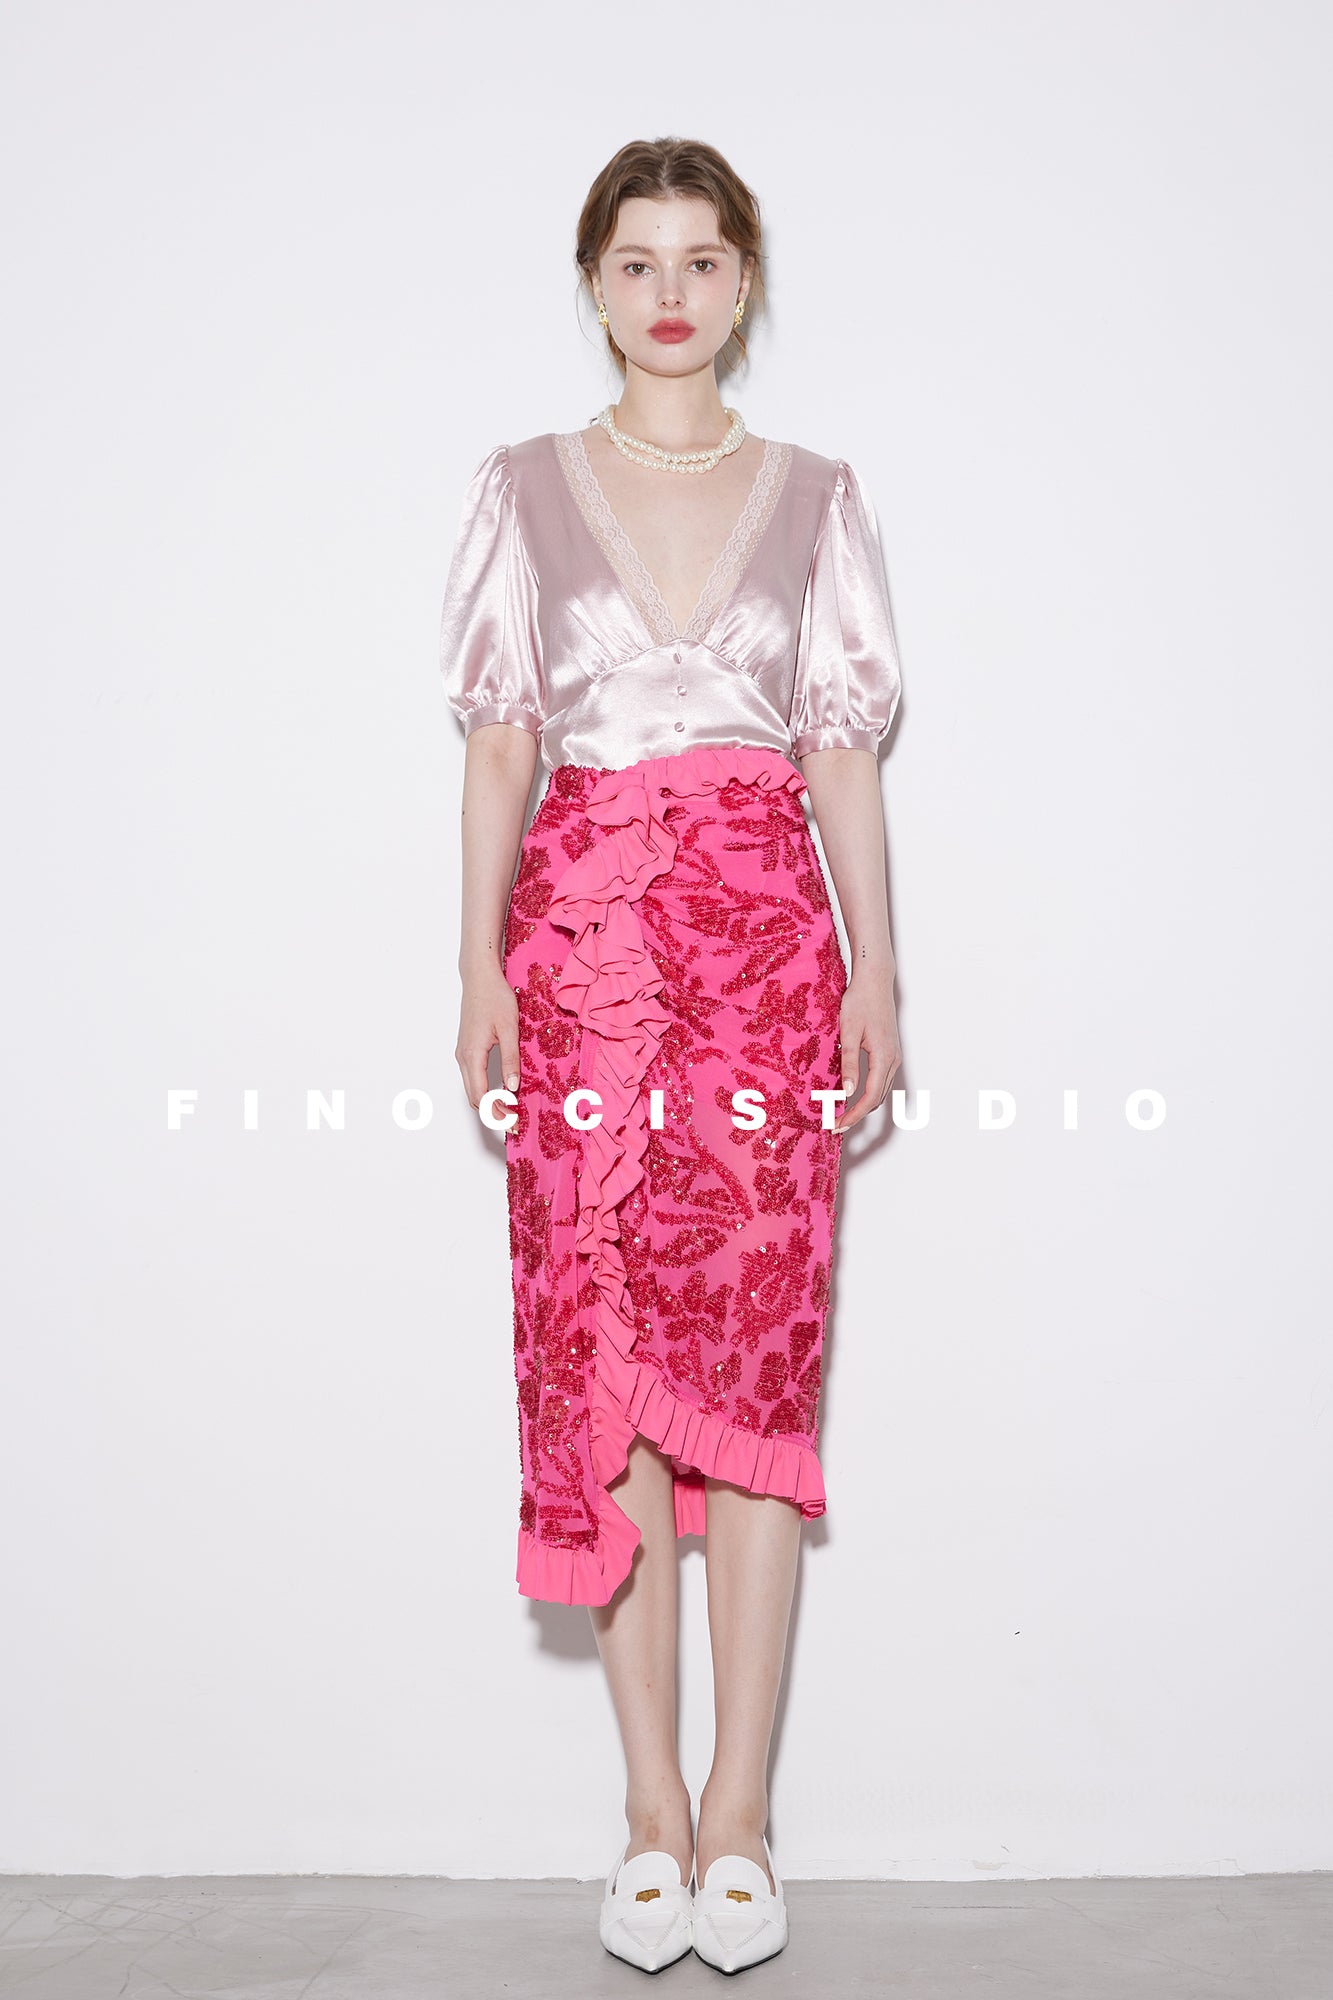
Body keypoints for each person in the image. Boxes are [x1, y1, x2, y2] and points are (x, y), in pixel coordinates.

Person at [439, 136, 903, 1975]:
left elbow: (839, 747)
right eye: (635, 262)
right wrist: (477, 962)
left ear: (743, 279)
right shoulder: (522, 488)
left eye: (700, 259)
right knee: (606, 1361)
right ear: (594, 282)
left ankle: (738, 1820)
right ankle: (645, 1812)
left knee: (759, 1370)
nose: (669, 294)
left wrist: (878, 972)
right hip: (579, 952)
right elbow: (499, 740)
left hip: (766, 954)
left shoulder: (819, 497)